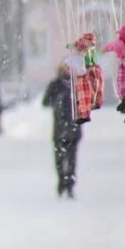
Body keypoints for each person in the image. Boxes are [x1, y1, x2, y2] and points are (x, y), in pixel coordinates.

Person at [42, 65, 79, 198]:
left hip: (74, 129)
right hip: (59, 129)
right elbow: (45, 102)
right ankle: (62, 180)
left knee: (71, 160)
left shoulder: (76, 85)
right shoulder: (55, 85)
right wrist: (56, 100)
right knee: (59, 160)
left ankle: (70, 185)